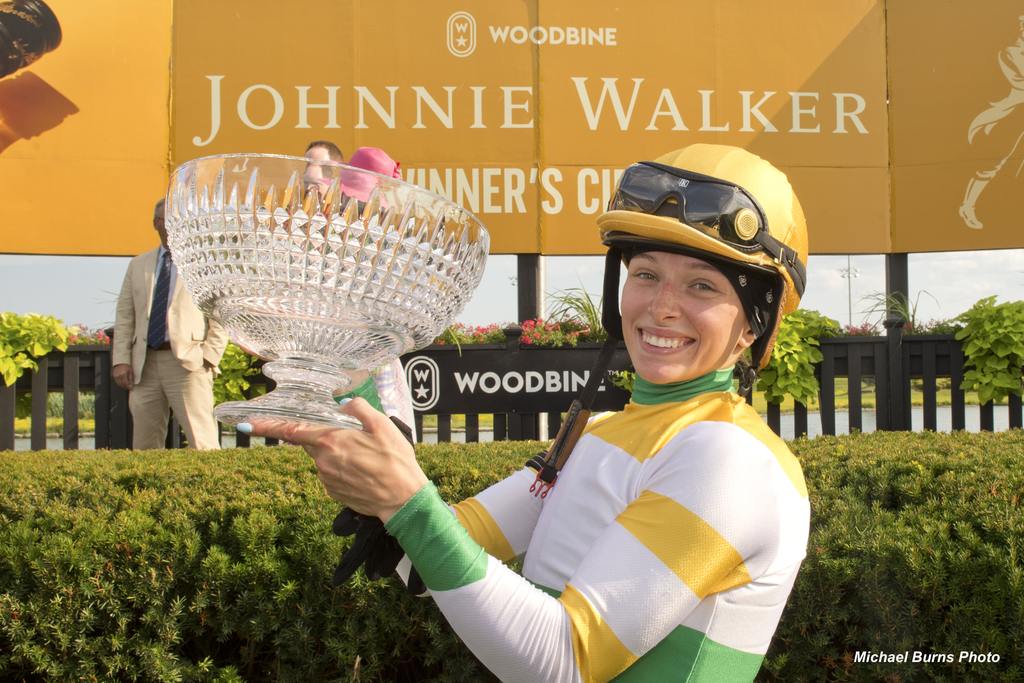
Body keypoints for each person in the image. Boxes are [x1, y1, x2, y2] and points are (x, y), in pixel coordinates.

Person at [240, 143, 811, 682]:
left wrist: (406, 508)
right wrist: (346, 389)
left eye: (703, 286)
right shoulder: (604, 431)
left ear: (754, 325)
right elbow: (447, 547)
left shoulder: (730, 460)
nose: (662, 306)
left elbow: (564, 661)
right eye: (646, 274)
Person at [112, 198, 228, 450]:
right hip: (144, 364)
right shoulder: (138, 264)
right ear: (157, 223)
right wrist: (121, 359)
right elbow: (125, 316)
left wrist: (210, 356)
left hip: (189, 363)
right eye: (169, 219)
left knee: (203, 442)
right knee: (145, 445)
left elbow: (221, 313)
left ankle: (211, 487)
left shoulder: (204, 263)